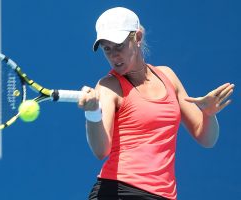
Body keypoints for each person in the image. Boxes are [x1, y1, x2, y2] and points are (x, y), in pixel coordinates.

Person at [78, 7, 234, 200]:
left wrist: (209, 114)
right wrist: (92, 112)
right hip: (118, 192)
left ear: (137, 37)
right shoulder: (108, 87)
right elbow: (101, 151)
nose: (113, 56)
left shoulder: (167, 76)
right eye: (107, 49)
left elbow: (207, 139)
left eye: (119, 46)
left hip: (164, 195)